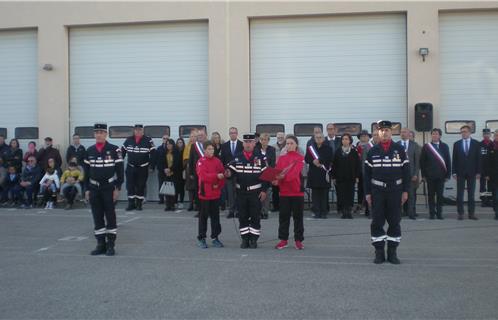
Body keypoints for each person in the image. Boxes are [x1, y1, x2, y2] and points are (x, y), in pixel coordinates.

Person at [364, 120, 410, 264]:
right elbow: (366, 175)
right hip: (377, 191)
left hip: (395, 191)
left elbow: (406, 172)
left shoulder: (400, 150)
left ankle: (392, 252)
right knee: (377, 221)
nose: (384, 133)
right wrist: (367, 193)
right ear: (378, 132)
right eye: (382, 130)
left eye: (387, 130)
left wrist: (405, 191)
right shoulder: (372, 151)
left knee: (394, 221)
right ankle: (379, 252)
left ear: (391, 132)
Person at [84, 123, 124, 256]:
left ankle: (111, 245)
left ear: (106, 134)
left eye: (101, 132)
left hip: (108, 188)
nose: (99, 134)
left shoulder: (114, 149)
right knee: (97, 216)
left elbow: (120, 172)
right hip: (94, 188)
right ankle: (100, 244)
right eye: (97, 132)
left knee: (110, 216)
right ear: (94, 134)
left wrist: (117, 188)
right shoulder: (89, 150)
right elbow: (86, 172)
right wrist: (87, 189)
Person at [226, 133, 269, 249]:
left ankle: (254, 240)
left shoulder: (260, 158)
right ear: (243, 143)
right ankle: (245, 239)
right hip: (241, 193)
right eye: (246, 142)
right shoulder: (237, 157)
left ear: (255, 143)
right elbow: (230, 172)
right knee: (243, 216)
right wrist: (228, 173)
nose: (248, 144)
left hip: (256, 193)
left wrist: (264, 191)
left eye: (250, 142)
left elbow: (266, 176)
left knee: (255, 216)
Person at [274, 135, 306, 250]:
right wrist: (275, 180)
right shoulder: (281, 158)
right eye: (287, 143)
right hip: (284, 193)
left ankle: (298, 240)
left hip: (297, 192)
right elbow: (277, 173)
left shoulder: (300, 158)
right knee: (283, 217)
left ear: (296, 144)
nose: (289, 145)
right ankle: (283, 240)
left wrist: (282, 178)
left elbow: (293, 174)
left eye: (291, 143)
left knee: (298, 217)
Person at [196, 141, 226, 248]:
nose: (211, 151)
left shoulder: (217, 161)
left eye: (212, 149)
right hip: (204, 195)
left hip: (215, 194)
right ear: (204, 150)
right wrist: (216, 176)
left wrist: (218, 185)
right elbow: (203, 176)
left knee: (215, 217)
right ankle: (201, 238)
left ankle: (215, 237)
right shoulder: (201, 161)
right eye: (209, 149)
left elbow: (223, 174)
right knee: (203, 217)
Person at [122, 124, 156, 211]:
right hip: (130, 167)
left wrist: (152, 166)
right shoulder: (128, 140)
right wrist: (118, 163)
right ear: (134, 130)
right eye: (136, 130)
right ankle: (131, 203)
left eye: (140, 130)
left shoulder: (148, 140)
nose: (138, 131)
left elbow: (153, 154)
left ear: (142, 131)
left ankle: (139, 204)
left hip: (143, 168)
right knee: (130, 186)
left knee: (141, 186)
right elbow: (122, 152)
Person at [420, 128, 451, 220]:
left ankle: (439, 213)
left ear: (440, 136)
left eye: (436, 134)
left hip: (441, 176)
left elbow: (448, 161)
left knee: (440, 196)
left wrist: (448, 175)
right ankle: (432, 213)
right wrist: (424, 175)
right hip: (430, 176)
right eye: (433, 134)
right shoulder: (426, 146)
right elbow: (422, 162)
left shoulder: (445, 146)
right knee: (431, 196)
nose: (434, 135)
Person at [452, 125, 481, 220]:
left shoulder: (476, 143)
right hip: (460, 173)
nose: (463, 133)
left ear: (469, 132)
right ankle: (460, 213)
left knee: (471, 194)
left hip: (472, 172)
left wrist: (478, 172)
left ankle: (471, 213)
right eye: (462, 132)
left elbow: (479, 159)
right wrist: (454, 172)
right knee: (459, 194)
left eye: (465, 131)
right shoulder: (456, 144)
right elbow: (454, 159)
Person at [332, 133, 360, 219]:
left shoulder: (354, 152)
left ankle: (349, 211)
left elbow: (357, 165)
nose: (345, 141)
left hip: (351, 177)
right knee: (341, 195)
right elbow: (334, 165)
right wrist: (333, 177)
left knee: (350, 195)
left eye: (347, 139)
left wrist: (357, 176)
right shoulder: (338, 151)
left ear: (350, 140)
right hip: (340, 178)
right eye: (343, 139)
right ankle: (344, 212)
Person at [305, 132, 332, 219]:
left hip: (324, 173)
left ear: (323, 139)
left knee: (324, 194)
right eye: (317, 137)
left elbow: (329, 158)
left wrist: (319, 161)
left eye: (320, 137)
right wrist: (312, 161)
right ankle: (316, 212)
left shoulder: (328, 148)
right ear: (314, 139)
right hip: (314, 174)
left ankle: (324, 212)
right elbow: (306, 158)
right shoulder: (310, 148)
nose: (318, 139)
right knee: (315, 195)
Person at [398, 128, 421, 220]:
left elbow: (417, 162)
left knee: (411, 195)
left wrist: (415, 174)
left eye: (405, 132)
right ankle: (399, 213)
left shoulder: (414, 145)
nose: (403, 134)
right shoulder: (396, 145)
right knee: (399, 195)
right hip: (399, 175)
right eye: (402, 132)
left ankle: (411, 213)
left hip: (411, 175)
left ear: (409, 134)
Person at [220, 127, 243, 218]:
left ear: (237, 134)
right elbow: (223, 160)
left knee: (238, 192)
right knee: (230, 193)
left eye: (234, 133)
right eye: (231, 133)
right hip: (228, 173)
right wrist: (226, 170)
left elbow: (243, 158)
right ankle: (231, 210)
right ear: (229, 134)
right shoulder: (224, 145)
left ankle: (238, 210)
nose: (233, 134)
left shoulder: (242, 144)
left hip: (239, 173)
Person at [257, 133, 276, 219]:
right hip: (258, 174)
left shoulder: (272, 149)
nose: (264, 141)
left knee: (267, 193)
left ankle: (265, 212)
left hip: (268, 174)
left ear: (268, 141)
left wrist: (269, 171)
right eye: (262, 139)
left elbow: (273, 163)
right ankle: (259, 211)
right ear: (260, 140)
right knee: (259, 193)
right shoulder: (256, 149)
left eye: (266, 140)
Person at [189, 129, 208, 217]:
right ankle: (200, 210)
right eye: (199, 135)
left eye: (202, 135)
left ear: (205, 135)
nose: (200, 137)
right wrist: (191, 173)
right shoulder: (194, 146)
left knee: (207, 192)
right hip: (197, 173)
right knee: (198, 192)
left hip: (208, 173)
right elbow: (191, 160)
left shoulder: (209, 145)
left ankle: (208, 211)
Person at [356, 130, 373, 216]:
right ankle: (359, 205)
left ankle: (367, 208)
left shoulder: (370, 146)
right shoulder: (357, 146)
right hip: (358, 170)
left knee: (368, 189)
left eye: (365, 136)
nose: (364, 138)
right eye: (362, 136)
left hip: (368, 170)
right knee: (360, 189)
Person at [163, 139, 181, 211]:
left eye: (170, 144)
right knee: (167, 190)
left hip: (174, 173)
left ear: (173, 145)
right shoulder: (164, 152)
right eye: (167, 144)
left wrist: (170, 169)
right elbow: (162, 162)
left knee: (174, 190)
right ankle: (168, 205)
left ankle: (173, 204)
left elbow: (177, 163)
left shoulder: (176, 152)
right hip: (166, 174)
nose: (168, 145)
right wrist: (165, 169)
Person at [484, 129, 498, 220]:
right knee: (495, 196)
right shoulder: (490, 146)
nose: (497, 137)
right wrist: (487, 174)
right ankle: (497, 213)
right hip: (493, 176)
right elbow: (487, 161)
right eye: (496, 135)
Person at [272, 131, 286, 212]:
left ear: (284, 138)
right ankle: (276, 206)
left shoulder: (287, 146)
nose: (280, 139)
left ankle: (283, 206)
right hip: (275, 171)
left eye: (281, 137)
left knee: (283, 189)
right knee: (275, 190)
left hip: (284, 171)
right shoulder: (273, 147)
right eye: (278, 137)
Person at [184, 129, 198, 212]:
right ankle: (190, 204)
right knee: (189, 187)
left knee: (196, 187)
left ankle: (196, 204)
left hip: (196, 168)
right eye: (191, 136)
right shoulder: (187, 146)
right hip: (188, 169)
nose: (192, 138)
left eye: (194, 136)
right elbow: (184, 157)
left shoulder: (198, 145)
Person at [479, 128, 493, 207]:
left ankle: (489, 200)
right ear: (483, 135)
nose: (486, 135)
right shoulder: (479, 145)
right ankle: (484, 200)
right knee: (482, 186)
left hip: (491, 170)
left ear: (490, 135)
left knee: (490, 186)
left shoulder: (493, 144)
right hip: (482, 170)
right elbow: (478, 159)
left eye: (488, 134)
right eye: (485, 134)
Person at [154, 135, 170, 204]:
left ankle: (168, 199)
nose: (165, 140)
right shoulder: (159, 148)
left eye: (167, 139)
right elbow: (156, 159)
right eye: (164, 138)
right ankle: (161, 199)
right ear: (162, 139)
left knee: (167, 184)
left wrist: (168, 169)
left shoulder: (170, 148)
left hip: (168, 170)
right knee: (161, 185)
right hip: (161, 170)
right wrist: (153, 166)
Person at [175, 138, 186, 209]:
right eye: (178, 142)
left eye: (181, 142)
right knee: (176, 188)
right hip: (175, 172)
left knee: (182, 188)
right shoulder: (175, 151)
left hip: (182, 171)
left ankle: (181, 202)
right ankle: (175, 202)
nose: (180, 144)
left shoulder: (185, 151)